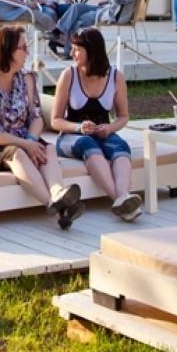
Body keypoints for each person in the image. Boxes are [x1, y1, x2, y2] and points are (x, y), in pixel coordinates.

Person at [0, 25, 83, 229]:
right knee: (17, 154)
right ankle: (55, 206)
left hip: (22, 137)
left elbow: (37, 116)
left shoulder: (26, 78)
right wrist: (26, 146)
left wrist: (31, 141)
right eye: (23, 48)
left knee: (48, 149)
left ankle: (57, 192)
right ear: (7, 50)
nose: (27, 53)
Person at [51, 27, 141, 221]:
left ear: (92, 52)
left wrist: (109, 128)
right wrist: (78, 127)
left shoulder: (115, 77)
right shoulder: (69, 75)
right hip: (71, 136)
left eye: (77, 49)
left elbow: (123, 116)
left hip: (103, 134)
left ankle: (123, 196)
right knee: (87, 143)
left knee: (120, 146)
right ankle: (120, 199)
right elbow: (55, 120)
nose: (72, 53)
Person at [51, 0, 148, 58]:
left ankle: (68, 50)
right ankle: (58, 31)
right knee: (76, 6)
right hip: (107, 9)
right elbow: (118, 0)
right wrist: (106, 2)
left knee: (77, 20)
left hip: (110, 15)